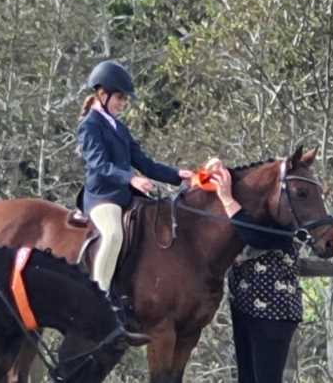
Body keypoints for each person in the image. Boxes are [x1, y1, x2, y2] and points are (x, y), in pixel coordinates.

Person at [78, 60, 193, 294]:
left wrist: (178, 175)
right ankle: (99, 298)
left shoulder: (119, 128)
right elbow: (99, 164)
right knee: (112, 235)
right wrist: (131, 179)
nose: (122, 104)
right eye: (119, 98)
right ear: (102, 94)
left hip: (125, 195)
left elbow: (144, 163)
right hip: (103, 196)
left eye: (124, 99)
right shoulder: (89, 125)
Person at [209, 159, 303, 383]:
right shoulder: (253, 216)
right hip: (244, 306)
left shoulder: (286, 222)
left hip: (275, 311)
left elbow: (255, 235)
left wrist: (227, 199)